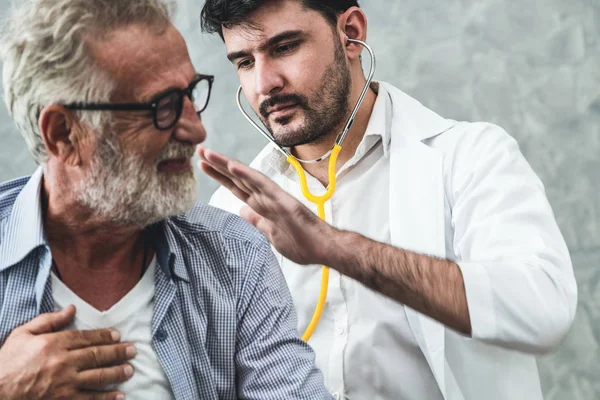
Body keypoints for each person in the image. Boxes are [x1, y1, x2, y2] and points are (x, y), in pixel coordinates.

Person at [198, 1, 579, 399]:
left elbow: (543, 310)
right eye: (243, 62)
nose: (264, 83)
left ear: (351, 33)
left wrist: (337, 249)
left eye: (285, 47)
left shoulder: (472, 158)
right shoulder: (232, 212)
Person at [0, 1, 332, 399]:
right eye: (162, 107)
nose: (195, 130)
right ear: (64, 134)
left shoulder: (236, 258)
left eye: (190, 94)